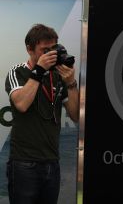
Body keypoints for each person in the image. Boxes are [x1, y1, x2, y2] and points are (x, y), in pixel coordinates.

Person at [5, 24, 79, 204]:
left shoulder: (57, 76)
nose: (50, 55)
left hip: (52, 161)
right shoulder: (18, 72)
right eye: (44, 50)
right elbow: (21, 104)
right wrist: (39, 70)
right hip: (24, 162)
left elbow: (76, 116)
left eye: (52, 49)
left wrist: (70, 84)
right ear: (29, 49)